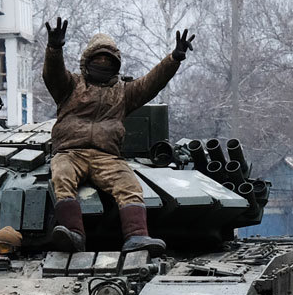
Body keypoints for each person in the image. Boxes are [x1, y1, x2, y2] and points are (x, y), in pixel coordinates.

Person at [42, 17, 194, 256]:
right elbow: (52, 74)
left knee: (129, 184)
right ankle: (73, 233)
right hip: (70, 152)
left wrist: (173, 58)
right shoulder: (70, 85)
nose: (102, 64)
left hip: (107, 156)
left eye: (108, 61)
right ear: (87, 61)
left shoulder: (124, 92)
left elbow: (152, 82)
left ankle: (136, 236)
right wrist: (54, 48)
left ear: (116, 64)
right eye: (98, 60)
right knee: (61, 177)